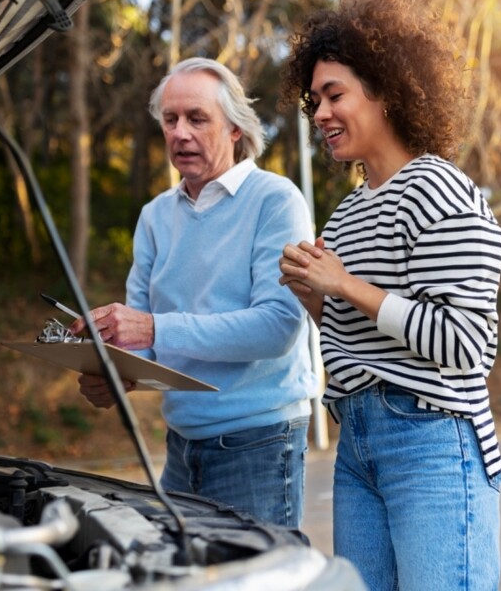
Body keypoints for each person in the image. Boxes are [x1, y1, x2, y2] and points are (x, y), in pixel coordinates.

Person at [278, 0, 501, 589]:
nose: (320, 114)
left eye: (335, 95)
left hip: (429, 441)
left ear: (385, 91)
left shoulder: (439, 188)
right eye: (315, 100)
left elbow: (465, 344)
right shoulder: (347, 214)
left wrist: (345, 285)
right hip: (357, 445)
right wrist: (317, 300)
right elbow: (362, 338)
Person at [71, 57, 317, 529]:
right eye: (170, 119)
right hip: (181, 445)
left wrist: (152, 328)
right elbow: (141, 342)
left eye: (196, 118)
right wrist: (113, 375)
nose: (180, 132)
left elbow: (277, 328)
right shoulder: (154, 217)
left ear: (235, 130)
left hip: (259, 442)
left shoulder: (276, 200)